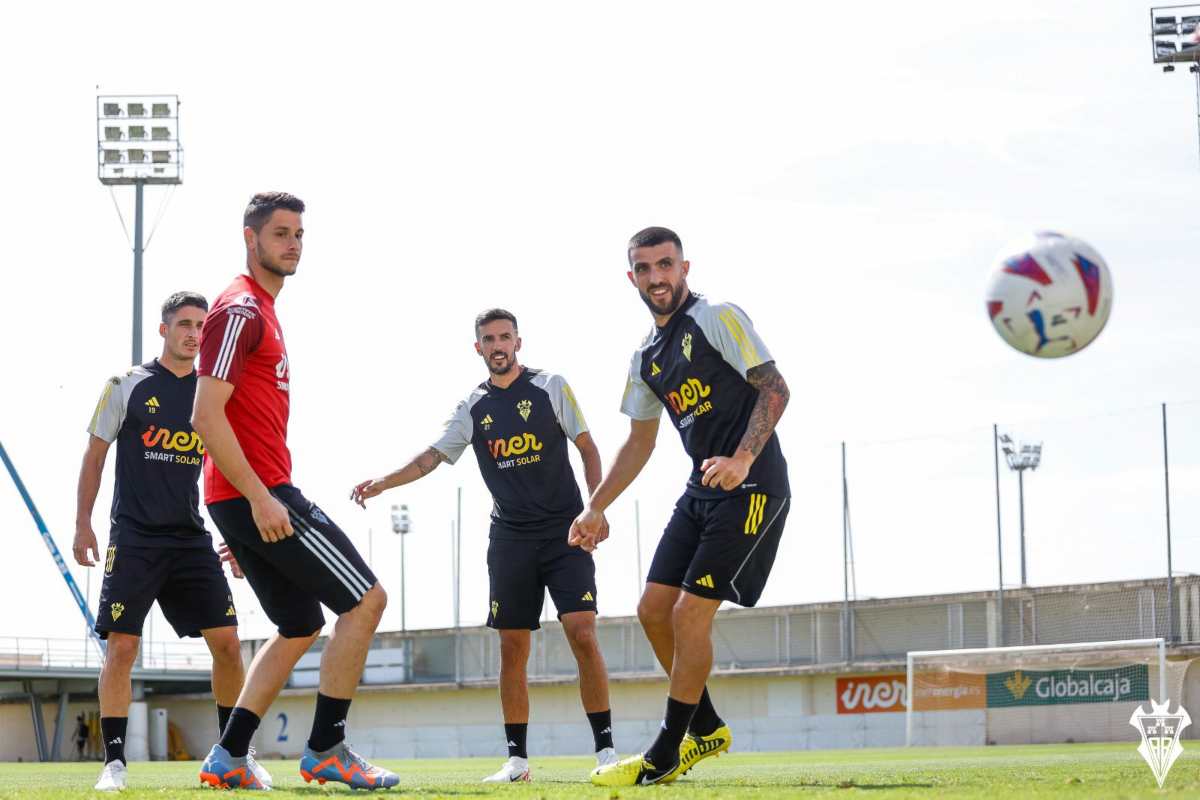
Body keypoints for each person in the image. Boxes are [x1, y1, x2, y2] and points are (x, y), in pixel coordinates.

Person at [351, 308, 619, 782]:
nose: (498, 345)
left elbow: (589, 449)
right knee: (513, 649)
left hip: (565, 532)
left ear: (519, 342)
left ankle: (606, 754)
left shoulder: (551, 386)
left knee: (582, 632)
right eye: (489, 339)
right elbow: (431, 458)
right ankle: (517, 761)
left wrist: (595, 510)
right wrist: (384, 482)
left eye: (505, 337)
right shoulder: (472, 407)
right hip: (510, 539)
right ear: (478, 348)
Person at [193, 192, 397, 790]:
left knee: (298, 623)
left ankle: (228, 757)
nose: (293, 243)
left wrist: (240, 508)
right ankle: (327, 749)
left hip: (241, 496)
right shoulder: (238, 310)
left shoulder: (263, 308)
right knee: (366, 601)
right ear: (250, 238)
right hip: (260, 492)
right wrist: (258, 498)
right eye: (281, 233)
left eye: (299, 234)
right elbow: (206, 416)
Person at [577, 227, 792, 786]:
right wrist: (595, 506)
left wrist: (743, 459)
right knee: (652, 610)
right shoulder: (646, 357)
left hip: (752, 486)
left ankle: (668, 749)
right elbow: (639, 442)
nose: (657, 277)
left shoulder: (717, 317)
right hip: (700, 492)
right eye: (645, 269)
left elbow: (775, 389)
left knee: (688, 614)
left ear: (684, 267)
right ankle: (709, 727)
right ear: (633, 278)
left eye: (665, 265)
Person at [74, 291, 262, 791]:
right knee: (122, 648)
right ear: (164, 329)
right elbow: (94, 457)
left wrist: (241, 540)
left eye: (201, 325)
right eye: (184, 323)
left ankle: (234, 754)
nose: (194, 333)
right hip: (134, 538)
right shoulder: (126, 385)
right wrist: (82, 524)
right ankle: (113, 763)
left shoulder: (212, 395)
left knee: (227, 642)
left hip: (190, 539)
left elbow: (231, 469)